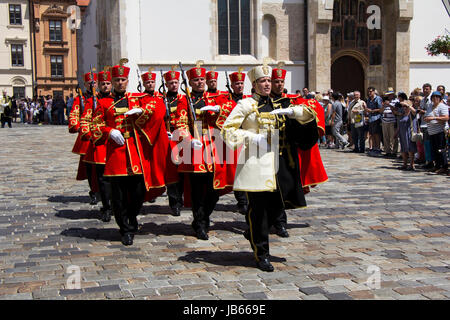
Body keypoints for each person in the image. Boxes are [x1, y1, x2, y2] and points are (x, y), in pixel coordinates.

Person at [222, 63, 322, 272]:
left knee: (276, 209)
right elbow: (227, 130)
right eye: (262, 81)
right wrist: (252, 137)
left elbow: (307, 114)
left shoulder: (279, 105)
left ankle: (252, 232)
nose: (267, 84)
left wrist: (296, 112)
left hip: (279, 167)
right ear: (255, 84)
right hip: (255, 165)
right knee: (258, 212)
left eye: (269, 81)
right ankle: (262, 254)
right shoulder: (245, 105)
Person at [91, 59, 171, 245]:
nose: (120, 83)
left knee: (138, 191)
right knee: (117, 195)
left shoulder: (137, 98)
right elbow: (95, 125)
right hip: (116, 153)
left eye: (123, 80)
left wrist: (141, 112)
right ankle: (124, 228)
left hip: (136, 152)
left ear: (128, 81)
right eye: (117, 80)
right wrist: (109, 131)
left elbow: (158, 107)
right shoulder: (103, 103)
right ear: (112, 81)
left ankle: (132, 215)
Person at [174, 60, 234, 241]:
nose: (200, 82)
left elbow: (231, 109)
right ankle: (200, 222)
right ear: (190, 83)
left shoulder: (216, 98)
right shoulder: (185, 100)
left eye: (202, 79)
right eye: (196, 80)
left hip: (215, 146)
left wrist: (218, 110)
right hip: (196, 148)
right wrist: (189, 140)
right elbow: (180, 122)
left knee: (214, 190)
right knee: (198, 190)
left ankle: (204, 216)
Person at [81, 67, 114, 223]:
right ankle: (106, 207)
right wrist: (88, 134)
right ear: (98, 85)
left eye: (108, 83)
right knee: (102, 179)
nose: (106, 86)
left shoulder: (118, 100)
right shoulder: (91, 101)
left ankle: (117, 205)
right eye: (103, 84)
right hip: (100, 142)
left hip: (115, 143)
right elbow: (85, 120)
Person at [69, 72, 99, 205]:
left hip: (100, 134)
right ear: (85, 84)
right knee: (88, 165)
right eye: (89, 83)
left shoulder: (101, 97)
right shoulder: (80, 98)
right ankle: (93, 191)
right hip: (86, 135)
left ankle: (103, 190)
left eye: (94, 83)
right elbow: (75, 113)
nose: (92, 85)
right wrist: (75, 125)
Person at [163, 67, 188, 217]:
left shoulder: (184, 99)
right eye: (171, 83)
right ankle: (174, 202)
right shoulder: (161, 99)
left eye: (176, 82)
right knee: (171, 173)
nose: (174, 85)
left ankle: (183, 198)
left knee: (183, 172)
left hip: (181, 138)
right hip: (168, 139)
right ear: (166, 85)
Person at [424, 91, 449, 175]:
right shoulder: (430, 106)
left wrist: (433, 118)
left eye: (437, 97)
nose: (435, 98)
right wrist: (426, 118)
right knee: (434, 150)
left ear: (440, 98)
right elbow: (427, 115)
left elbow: (446, 118)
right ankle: (437, 165)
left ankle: (444, 167)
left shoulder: (442, 106)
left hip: (440, 131)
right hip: (431, 132)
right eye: (433, 97)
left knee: (440, 150)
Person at [391, 93, 417, 170]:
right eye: (403, 106)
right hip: (402, 133)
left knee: (410, 149)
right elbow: (400, 124)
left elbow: (415, 111)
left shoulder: (412, 114)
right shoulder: (403, 114)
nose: (404, 108)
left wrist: (408, 105)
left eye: (406, 106)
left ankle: (412, 164)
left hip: (409, 133)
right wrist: (396, 132)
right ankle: (404, 164)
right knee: (403, 149)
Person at [418, 84, 434, 169]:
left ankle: (431, 161)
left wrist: (423, 111)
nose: (425, 91)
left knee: (429, 143)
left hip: (430, 124)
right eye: (424, 89)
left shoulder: (432, 99)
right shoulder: (423, 100)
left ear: (430, 90)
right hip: (423, 123)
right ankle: (428, 160)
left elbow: (431, 111)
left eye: (427, 89)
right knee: (425, 143)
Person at [365, 87, 383, 156]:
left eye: (370, 91)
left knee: (376, 134)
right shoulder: (369, 99)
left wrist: (372, 111)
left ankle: (378, 148)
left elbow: (380, 109)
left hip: (377, 118)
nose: (369, 93)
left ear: (374, 91)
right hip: (371, 118)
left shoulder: (378, 99)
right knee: (372, 134)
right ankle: (374, 147)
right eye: (368, 92)